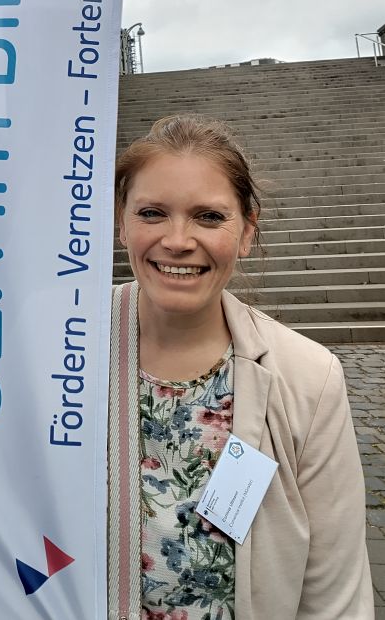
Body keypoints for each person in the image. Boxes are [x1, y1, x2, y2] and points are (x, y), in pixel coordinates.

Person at [108, 115, 373, 620]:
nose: (178, 240)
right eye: (152, 213)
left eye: (209, 217)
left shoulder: (309, 377)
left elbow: (335, 589)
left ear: (247, 231)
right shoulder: (64, 347)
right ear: (122, 223)